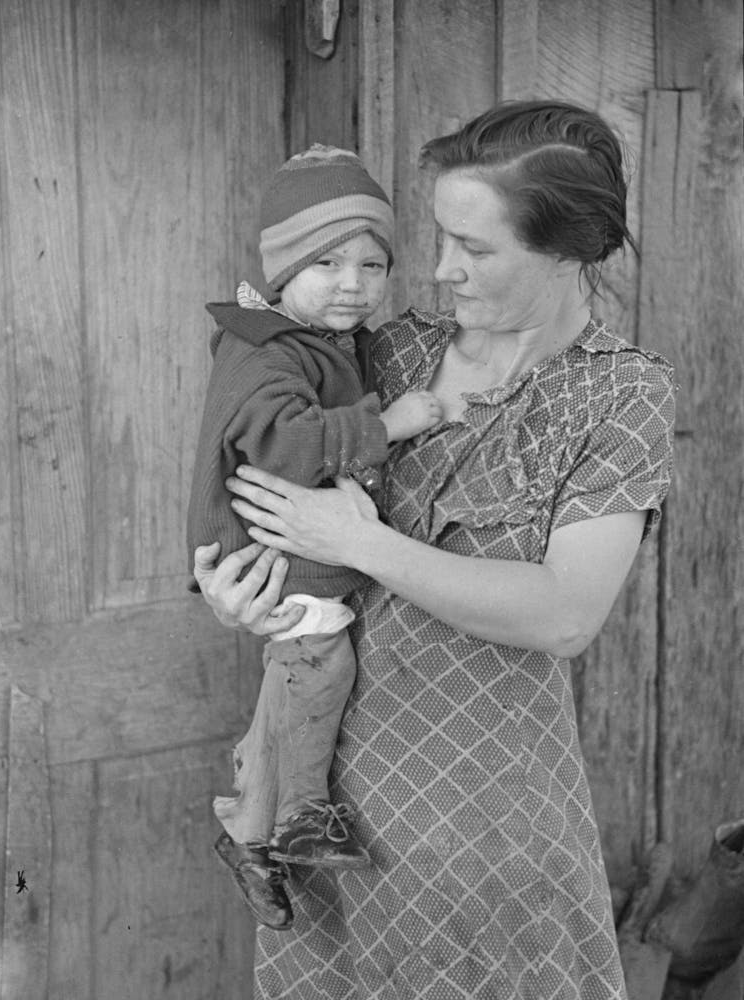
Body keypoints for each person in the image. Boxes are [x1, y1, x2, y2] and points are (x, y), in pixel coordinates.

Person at [194, 101, 676, 1000]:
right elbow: (263, 483)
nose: (443, 268)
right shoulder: (384, 352)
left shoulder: (617, 397)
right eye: (440, 238)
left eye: (477, 248)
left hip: (486, 828)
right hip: (324, 815)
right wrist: (237, 586)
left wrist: (361, 542)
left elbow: (565, 613)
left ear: (567, 248)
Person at [187, 144, 443, 933]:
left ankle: (249, 827)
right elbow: (289, 446)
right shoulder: (268, 351)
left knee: (288, 674)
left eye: (373, 265)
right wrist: (389, 423)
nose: (353, 283)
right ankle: (304, 810)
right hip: (272, 553)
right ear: (281, 271)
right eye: (327, 261)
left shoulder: (305, 338)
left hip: (286, 547)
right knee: (321, 661)